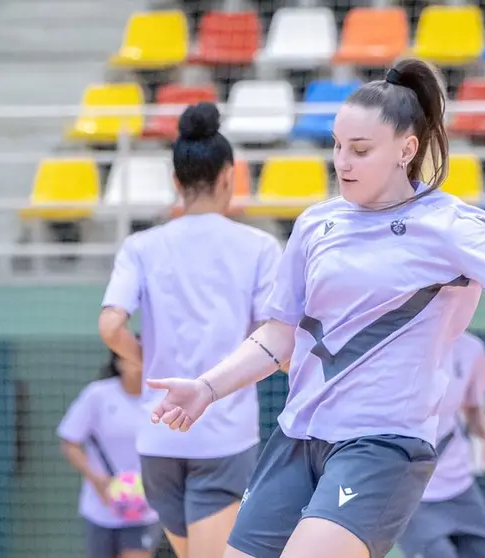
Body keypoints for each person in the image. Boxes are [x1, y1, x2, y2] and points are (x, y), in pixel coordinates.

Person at [143, 57, 485, 558]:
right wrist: (207, 387)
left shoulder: (449, 224)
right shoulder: (315, 225)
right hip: (297, 437)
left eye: (359, 150)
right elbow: (278, 336)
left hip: (382, 445)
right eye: (336, 146)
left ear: (406, 149)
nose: (342, 162)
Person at [98, 102, 284, 558]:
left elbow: (110, 324)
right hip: (221, 434)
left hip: (158, 438)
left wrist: (141, 358)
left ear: (176, 183)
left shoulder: (141, 245)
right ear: (229, 176)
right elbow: (271, 337)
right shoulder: (258, 246)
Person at [398, 332, 485, 558]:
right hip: (408, 489)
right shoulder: (400, 344)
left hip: (458, 485)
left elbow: (473, 408)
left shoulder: (472, 349)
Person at [58, 347, 164, 558]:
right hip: (101, 506)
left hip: (145, 507)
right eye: (133, 357)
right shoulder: (98, 395)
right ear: (119, 363)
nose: (139, 363)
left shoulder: (160, 398)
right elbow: (69, 442)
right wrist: (97, 479)